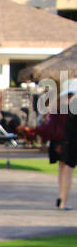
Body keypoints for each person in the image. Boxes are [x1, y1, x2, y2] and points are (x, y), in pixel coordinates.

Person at [38, 78, 77, 209]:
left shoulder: (57, 103)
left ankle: (60, 196)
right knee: (68, 170)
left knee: (61, 168)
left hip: (56, 140)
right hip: (70, 141)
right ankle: (63, 201)